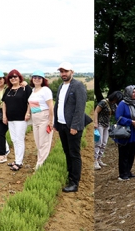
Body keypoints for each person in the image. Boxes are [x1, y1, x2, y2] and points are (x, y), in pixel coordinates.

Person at [54, 62, 89, 193]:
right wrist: (56, 123)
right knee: (67, 152)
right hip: (62, 125)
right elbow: (58, 105)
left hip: (73, 127)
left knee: (74, 154)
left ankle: (74, 182)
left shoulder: (78, 86)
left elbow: (80, 108)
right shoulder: (61, 86)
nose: (63, 74)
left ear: (72, 72)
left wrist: (74, 126)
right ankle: (70, 175)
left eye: (66, 71)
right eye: (61, 72)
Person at [3, 69, 33, 171]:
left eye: (15, 77)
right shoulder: (8, 89)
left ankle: (19, 162)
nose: (13, 79)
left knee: (19, 139)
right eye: (11, 77)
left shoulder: (25, 89)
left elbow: (30, 101)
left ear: (19, 78)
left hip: (21, 118)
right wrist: (4, 116)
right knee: (14, 139)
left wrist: (28, 112)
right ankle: (16, 160)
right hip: (10, 119)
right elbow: (4, 103)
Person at [28, 70, 54, 170]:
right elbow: (30, 104)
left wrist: (51, 121)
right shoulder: (33, 90)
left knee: (44, 143)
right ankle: (41, 161)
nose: (37, 79)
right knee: (38, 142)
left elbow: (51, 106)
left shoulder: (45, 90)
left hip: (44, 117)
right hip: (35, 118)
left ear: (43, 79)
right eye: (35, 77)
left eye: (39, 78)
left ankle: (39, 166)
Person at [115, 85, 135, 181]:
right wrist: (131, 122)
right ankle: (122, 173)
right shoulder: (123, 104)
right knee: (124, 153)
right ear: (128, 93)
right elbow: (118, 117)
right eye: (132, 92)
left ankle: (128, 171)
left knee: (132, 153)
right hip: (125, 132)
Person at [93, 91, 122, 170]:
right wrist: (95, 123)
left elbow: (116, 113)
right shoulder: (103, 102)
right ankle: (94, 160)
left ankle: (99, 159)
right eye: (116, 99)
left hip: (107, 125)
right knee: (99, 142)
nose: (116, 101)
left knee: (104, 143)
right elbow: (96, 111)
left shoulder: (113, 104)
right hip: (100, 124)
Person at [0, 71, 12, 163]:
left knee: (1, 133)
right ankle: (3, 151)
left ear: (4, 79)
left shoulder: (8, 88)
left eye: (0, 79)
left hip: (6, 113)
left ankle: (2, 154)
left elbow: (8, 102)